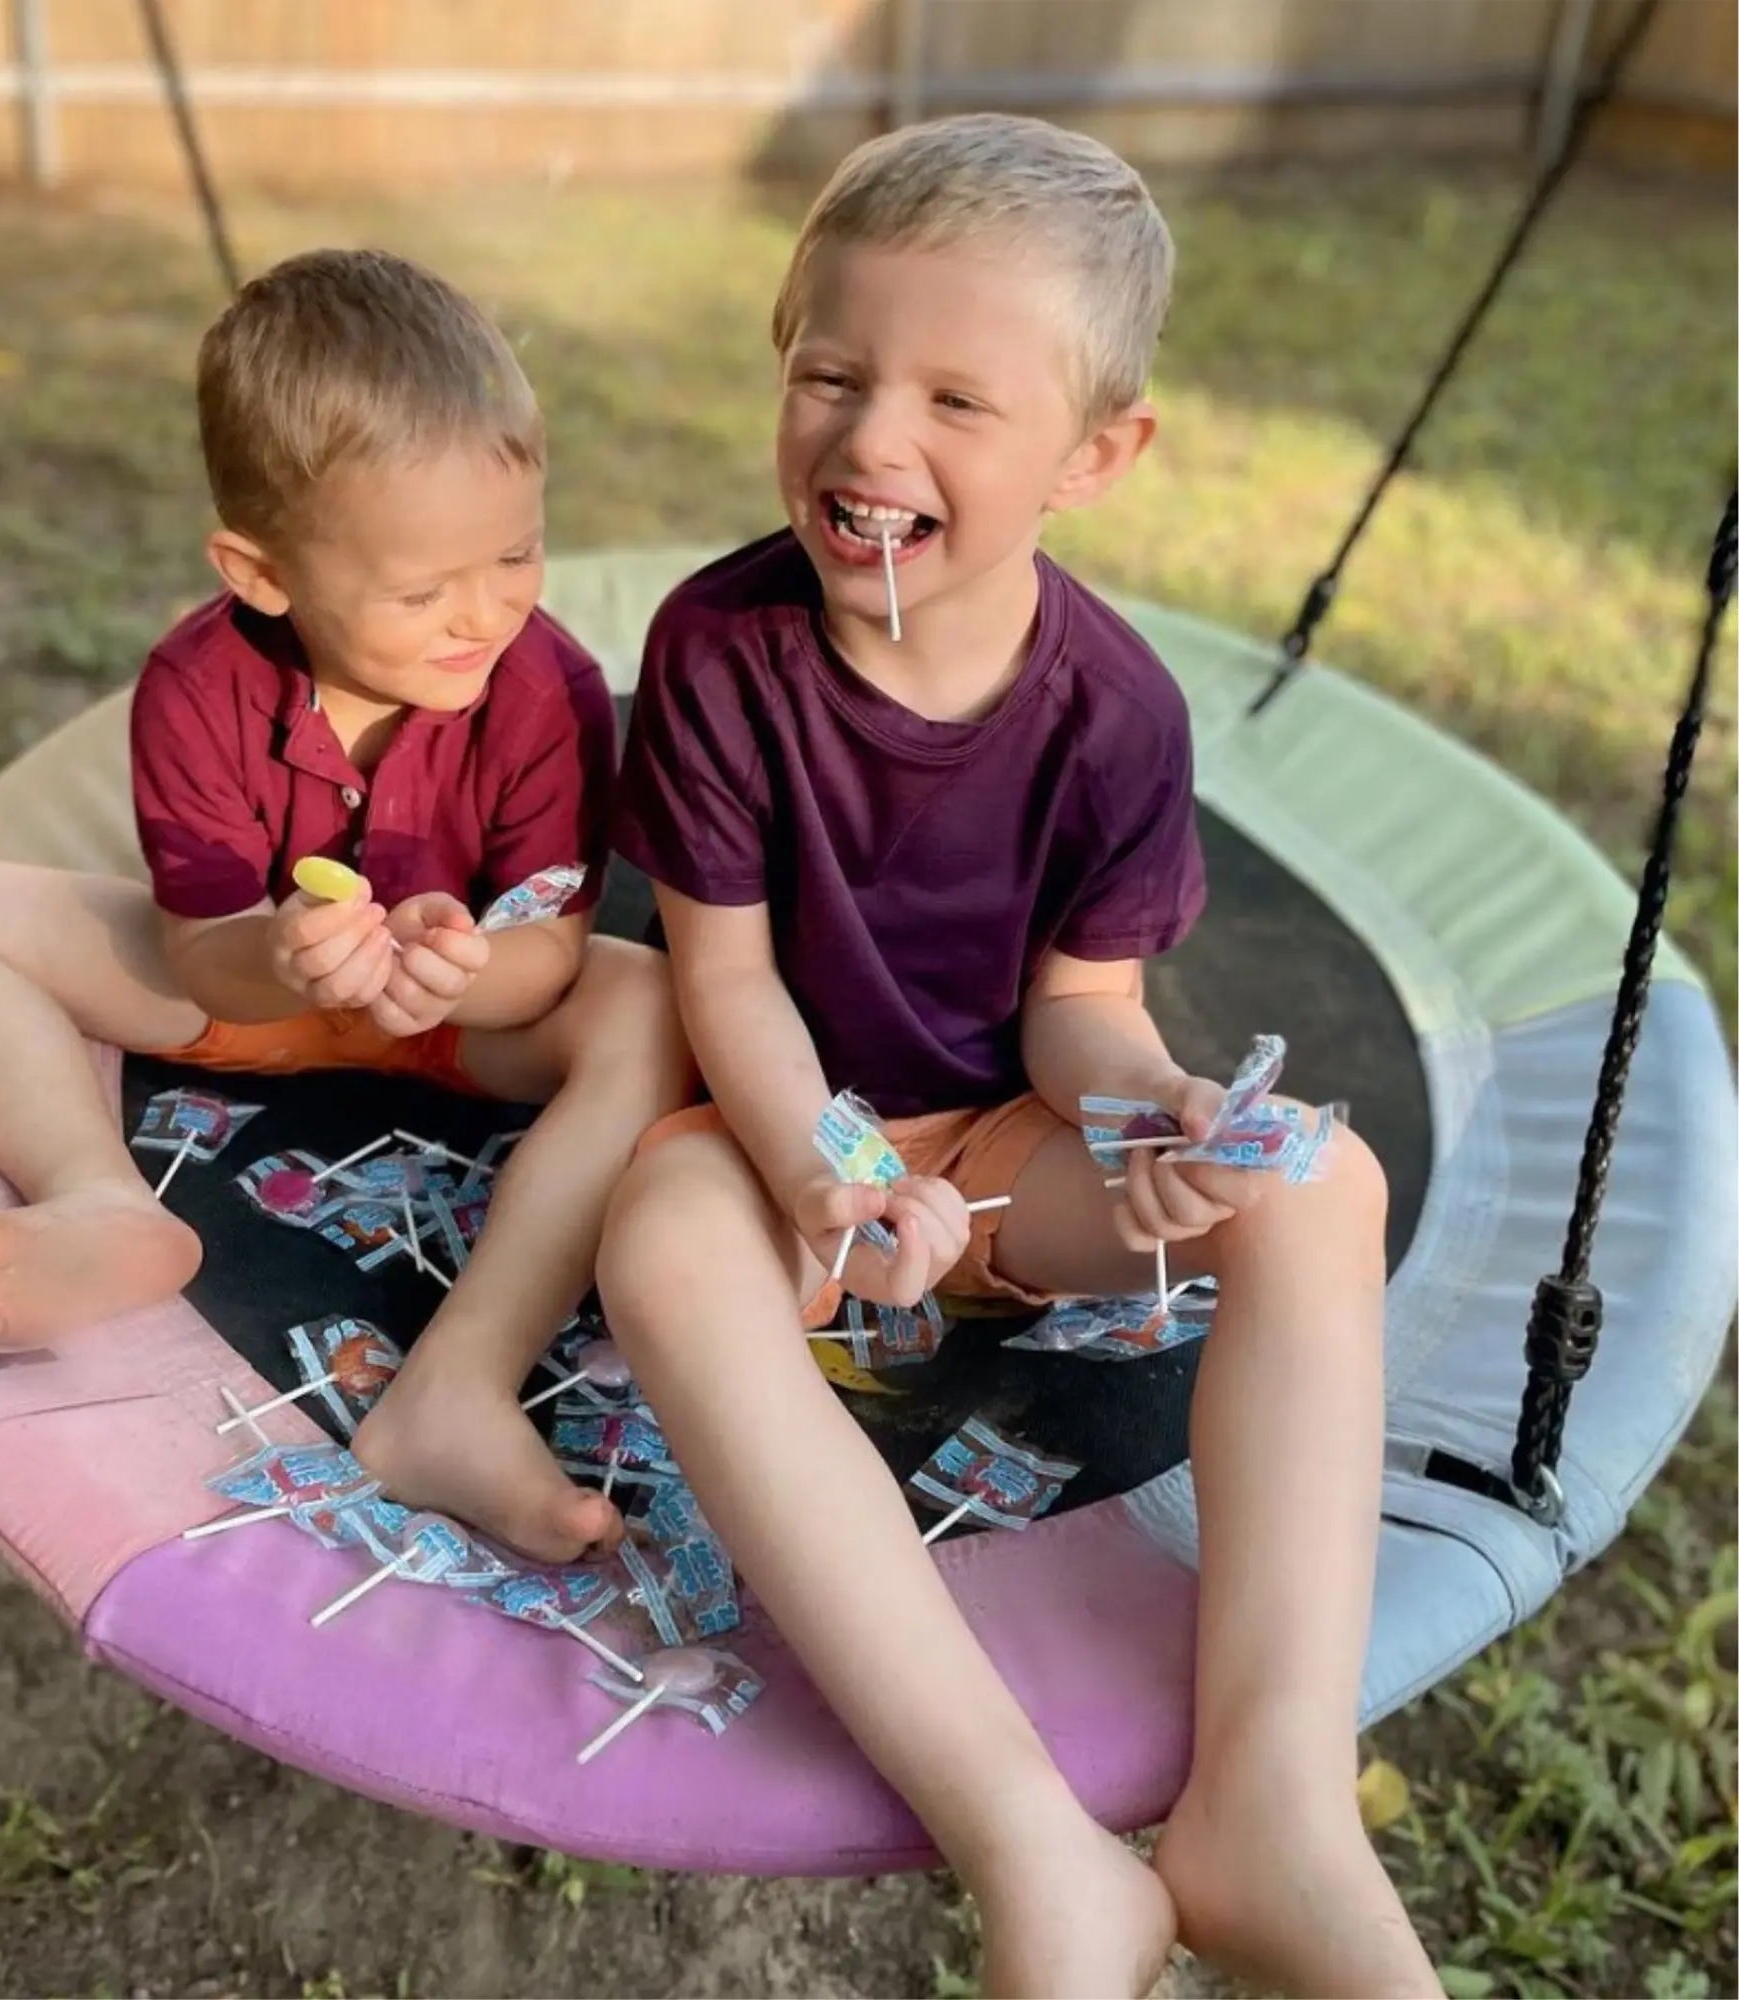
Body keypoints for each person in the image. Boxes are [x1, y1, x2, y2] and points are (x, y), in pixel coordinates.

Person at [595, 116, 1438, 1997]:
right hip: (778, 1141)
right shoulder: (724, 653)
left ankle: (1271, 1796)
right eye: (831, 374)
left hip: (996, 1155)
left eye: (956, 400)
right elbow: (721, 983)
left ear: (1094, 456)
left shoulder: (1114, 711)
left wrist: (1158, 1119)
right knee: (656, 1236)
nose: (872, 438)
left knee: (1327, 1184)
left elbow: (1083, 1004)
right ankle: (1032, 1844)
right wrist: (826, 1170)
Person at [0, 248, 690, 1563]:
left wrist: (459, 972)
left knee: (648, 999)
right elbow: (201, 955)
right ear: (262, 576)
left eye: (517, 553)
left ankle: (458, 1381)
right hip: (257, 993)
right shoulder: (198, 685)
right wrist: (287, 958)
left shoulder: (545, 687)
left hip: (460, 1019)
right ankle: (101, 1197)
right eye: (421, 592)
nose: (479, 614)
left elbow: (540, 952)